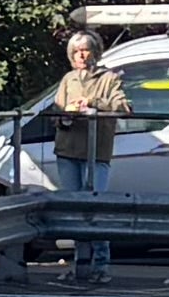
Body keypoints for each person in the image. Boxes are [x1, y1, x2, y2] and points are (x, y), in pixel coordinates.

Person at [47, 22, 131, 189]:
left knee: (94, 200)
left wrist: (93, 102)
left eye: (85, 50)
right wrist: (64, 119)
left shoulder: (109, 78)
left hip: (96, 151)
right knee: (71, 200)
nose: (81, 56)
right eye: (76, 52)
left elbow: (124, 107)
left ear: (95, 52)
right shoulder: (68, 79)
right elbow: (56, 112)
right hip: (67, 150)